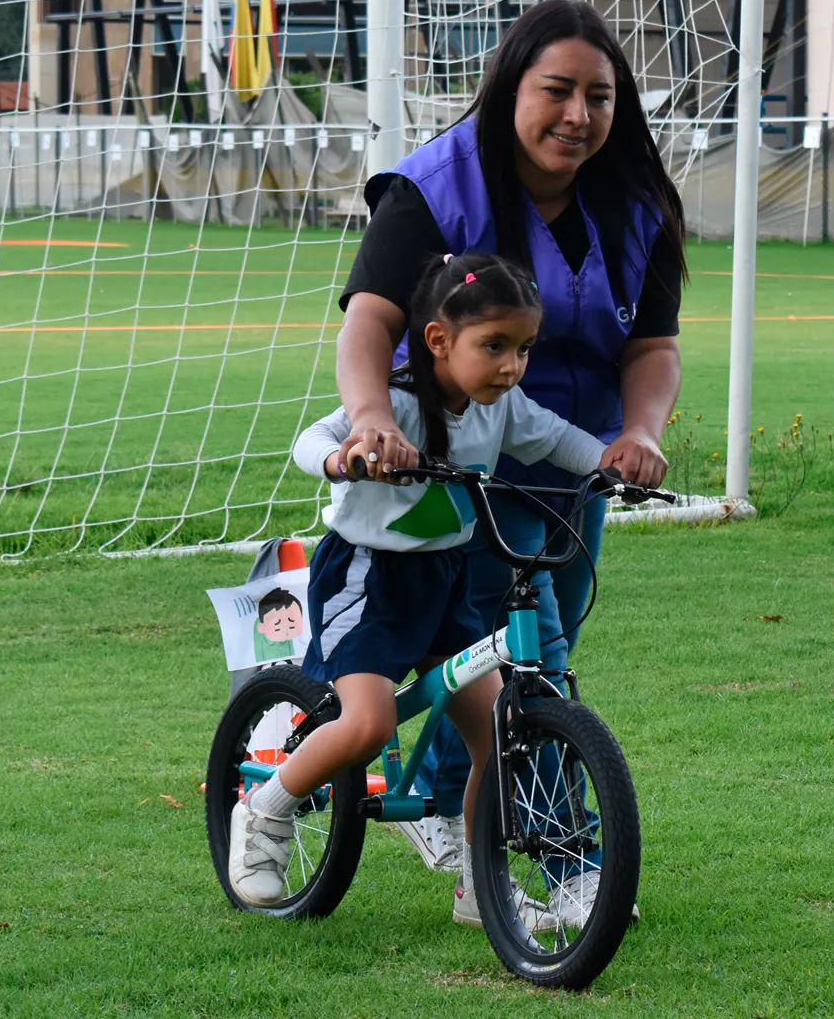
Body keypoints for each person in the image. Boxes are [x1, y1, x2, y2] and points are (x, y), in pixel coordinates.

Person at [332, 0, 684, 898]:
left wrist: (637, 433)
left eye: (599, 96)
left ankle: (455, 817)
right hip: (456, 464)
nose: (578, 115)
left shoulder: (637, 203)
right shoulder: (435, 187)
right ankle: (564, 862)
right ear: (509, 88)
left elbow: (652, 346)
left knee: (503, 658)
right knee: (538, 659)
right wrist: (372, 415)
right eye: (557, 90)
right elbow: (370, 320)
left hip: (571, 466)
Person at [227, 253, 613, 927]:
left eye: (523, 349)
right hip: (367, 578)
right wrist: (342, 456)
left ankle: (478, 881)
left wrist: (612, 459)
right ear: (439, 341)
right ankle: (262, 812)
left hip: (446, 577)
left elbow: (554, 438)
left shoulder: (502, 409)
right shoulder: (396, 400)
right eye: (494, 346)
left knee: (496, 735)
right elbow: (313, 437)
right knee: (369, 722)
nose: (511, 365)